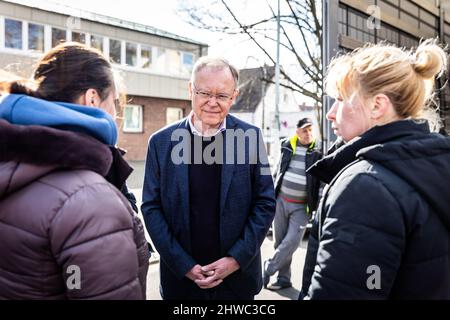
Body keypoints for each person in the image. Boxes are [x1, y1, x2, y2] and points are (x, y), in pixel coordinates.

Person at [299, 40, 450, 299]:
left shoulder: (365, 186)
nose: (330, 114)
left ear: (377, 106)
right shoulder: (435, 163)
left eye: (340, 99)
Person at [0, 42, 149, 299]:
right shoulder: (90, 198)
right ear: (92, 99)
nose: (115, 114)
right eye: (114, 102)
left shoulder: (11, 158)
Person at [141, 56, 276, 300]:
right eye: (204, 93)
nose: (212, 103)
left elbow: (265, 203)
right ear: (191, 89)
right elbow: (151, 207)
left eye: (222, 96)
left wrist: (235, 260)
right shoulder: (160, 143)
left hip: (237, 282)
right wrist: (184, 266)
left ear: (234, 96)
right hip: (181, 283)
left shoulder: (252, 139)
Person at [263, 117, 322, 290]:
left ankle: (268, 268)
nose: (308, 133)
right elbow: (277, 171)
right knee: (279, 242)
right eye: (304, 130)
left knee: (291, 242)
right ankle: (284, 279)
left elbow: (320, 182)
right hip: (280, 201)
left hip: (301, 207)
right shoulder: (286, 146)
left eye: (311, 130)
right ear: (297, 131)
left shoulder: (317, 152)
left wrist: (318, 206)